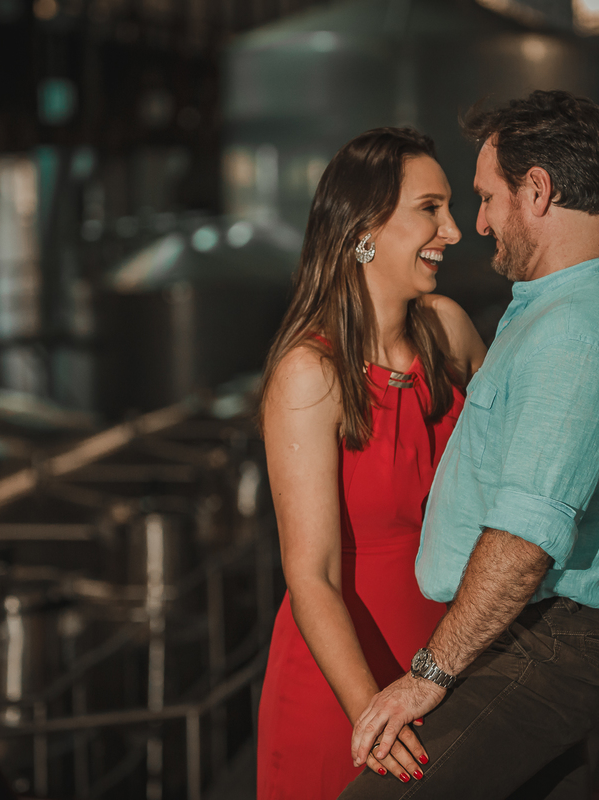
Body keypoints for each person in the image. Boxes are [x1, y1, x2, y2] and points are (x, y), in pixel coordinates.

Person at [341, 90, 599, 799]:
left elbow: (523, 543)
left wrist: (426, 677)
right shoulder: (556, 308)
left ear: (537, 190)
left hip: (543, 642)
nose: (477, 223)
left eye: (487, 198)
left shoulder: (577, 335)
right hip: (525, 632)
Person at [256, 127, 487, 799]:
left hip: (446, 672)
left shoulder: (448, 331)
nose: (453, 230)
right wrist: (375, 716)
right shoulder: (309, 373)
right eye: (430, 209)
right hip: (343, 693)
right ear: (364, 229)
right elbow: (312, 576)